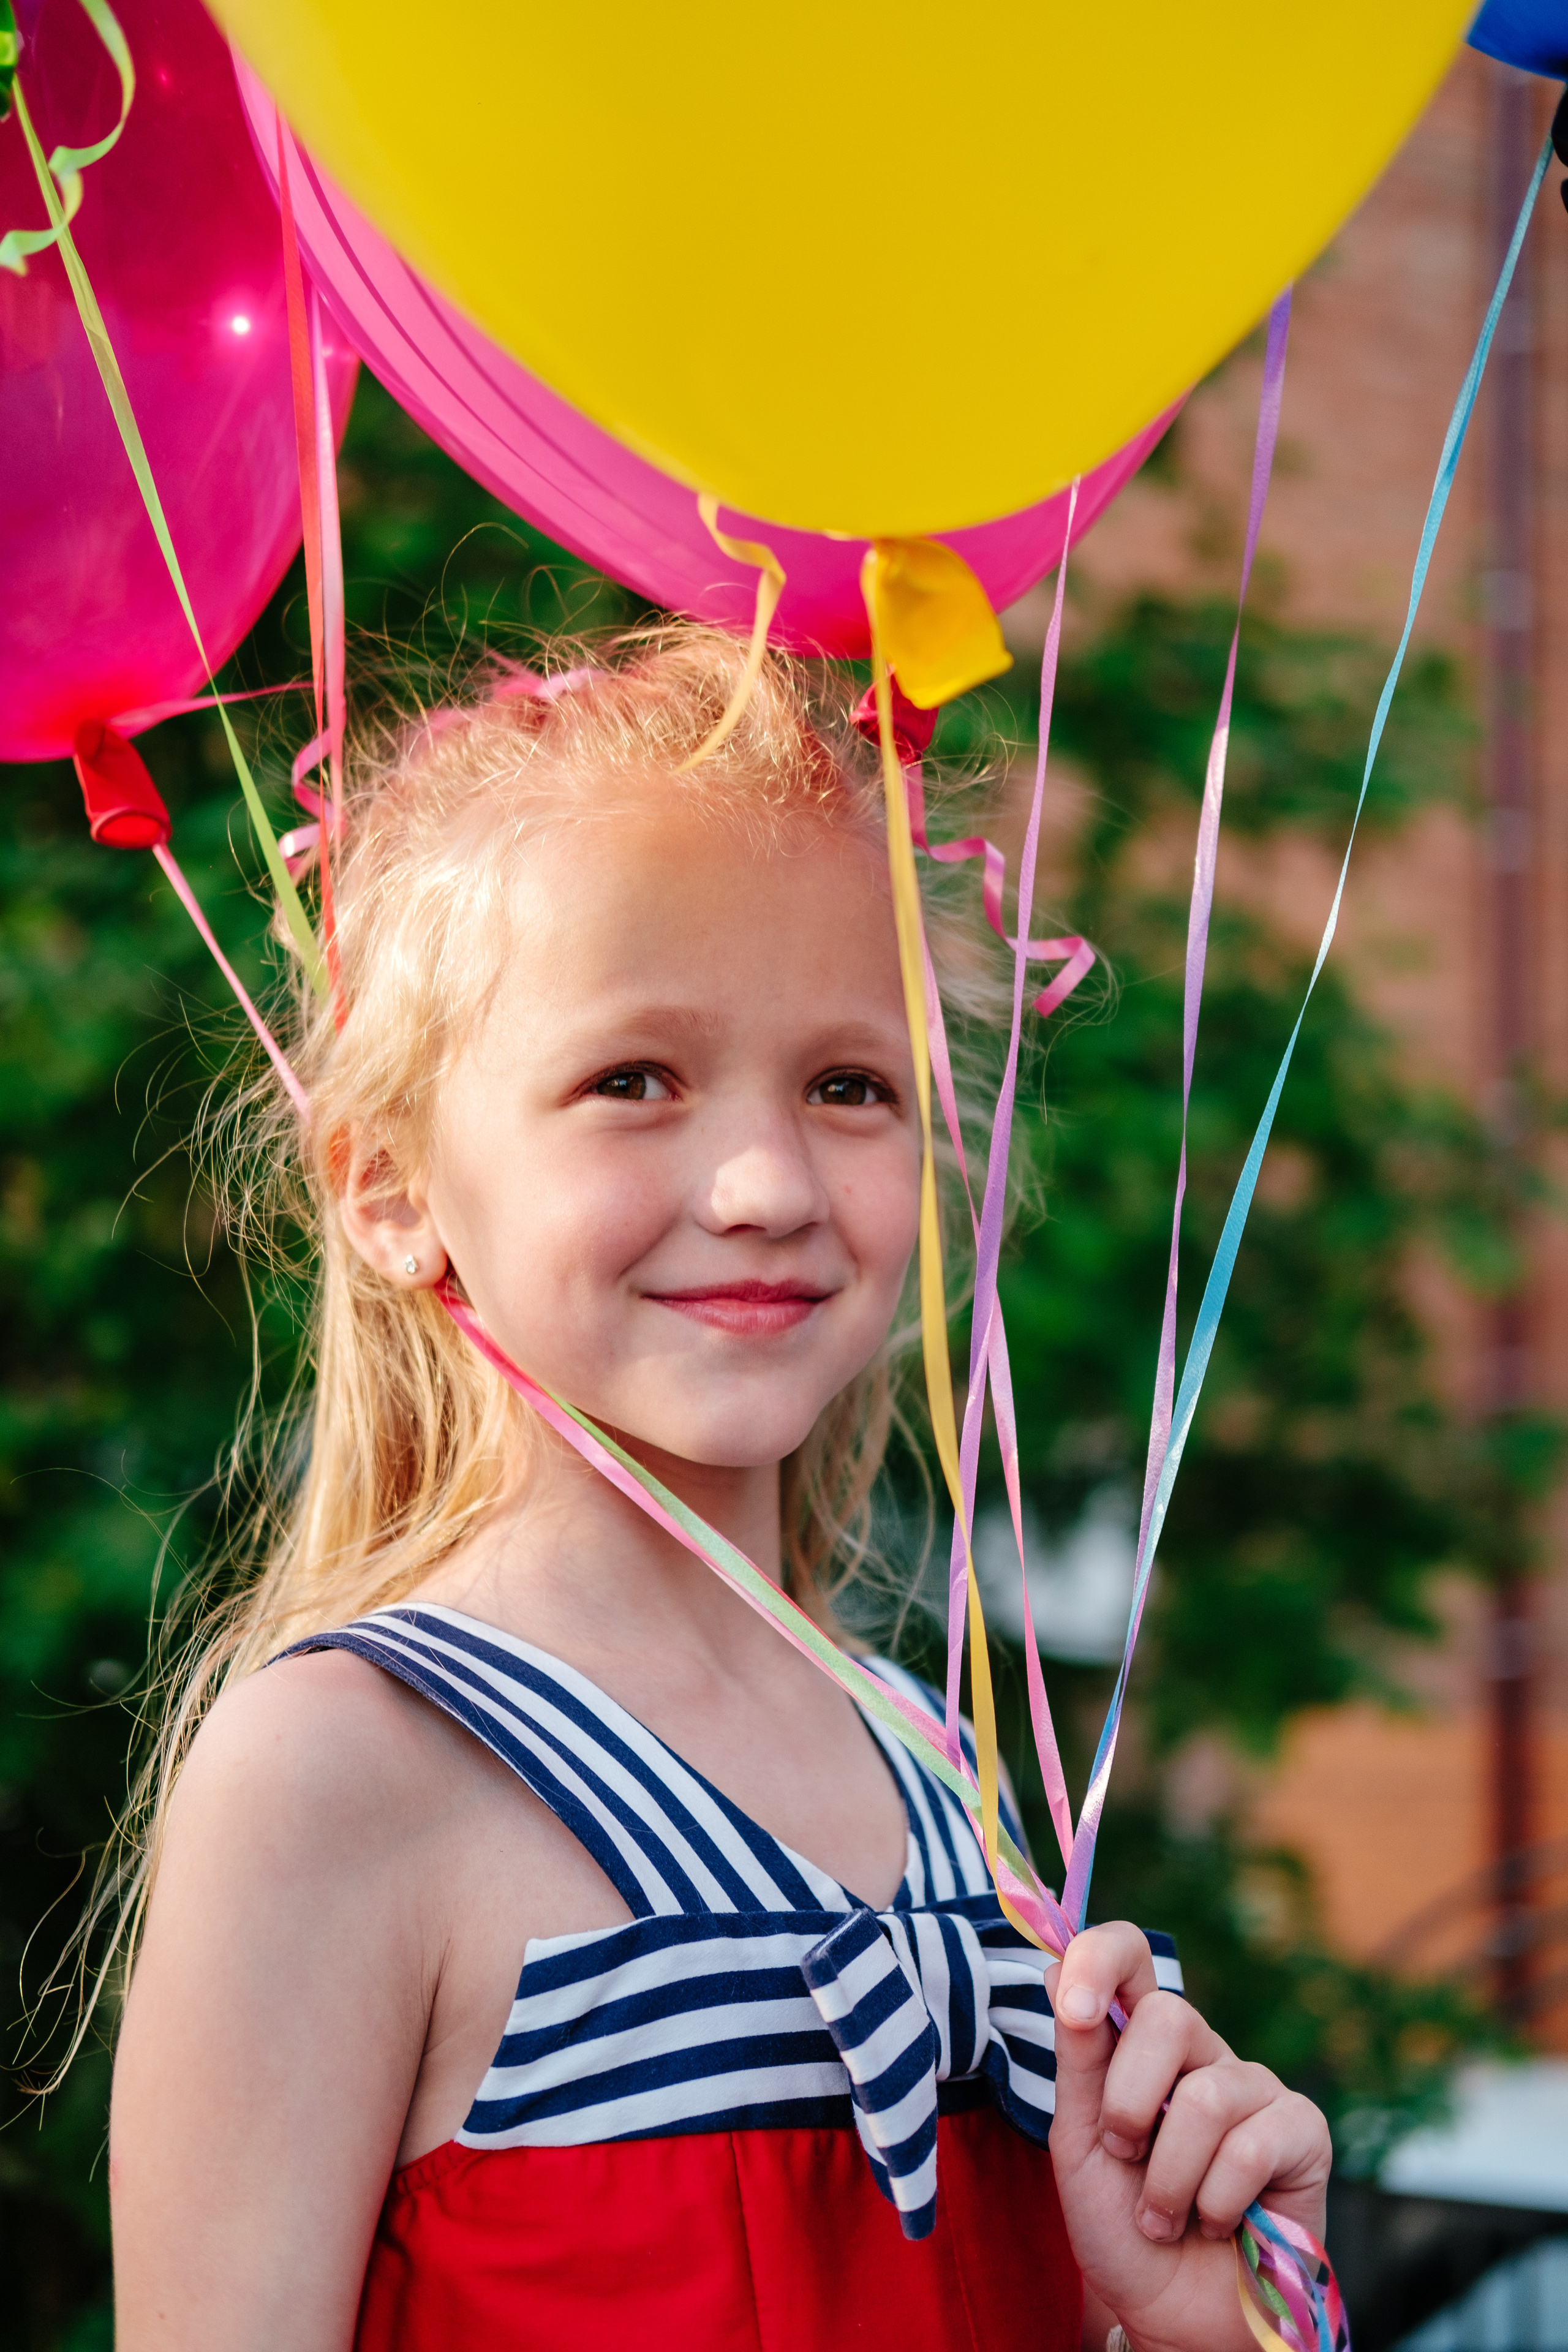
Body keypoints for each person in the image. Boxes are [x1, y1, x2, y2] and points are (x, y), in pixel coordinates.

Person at [108, 628, 1330, 2351]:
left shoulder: (936, 1765)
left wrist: (1211, 2326)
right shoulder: (342, 1775)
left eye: (849, 1086)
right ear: (387, 1184)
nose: (762, 1183)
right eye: (635, 1081)